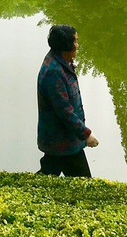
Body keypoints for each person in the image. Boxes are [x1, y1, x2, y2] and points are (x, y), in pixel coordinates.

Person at [36, 24, 98, 177]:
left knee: (47, 175)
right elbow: (64, 111)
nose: (77, 45)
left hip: (62, 140)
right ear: (65, 45)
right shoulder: (54, 72)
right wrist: (86, 134)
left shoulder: (62, 63)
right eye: (75, 41)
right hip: (62, 142)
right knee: (84, 185)